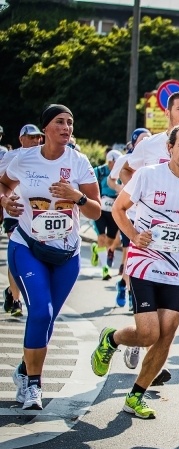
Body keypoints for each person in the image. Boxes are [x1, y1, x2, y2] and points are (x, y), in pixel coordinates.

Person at [90, 123, 179, 419]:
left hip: (175, 267)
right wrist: (133, 235)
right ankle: (112, 339)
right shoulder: (148, 175)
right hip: (143, 263)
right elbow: (118, 209)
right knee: (148, 334)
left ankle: (136, 395)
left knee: (167, 333)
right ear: (170, 148)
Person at [1, 104, 101, 410]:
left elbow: (96, 210)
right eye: (60, 122)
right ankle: (33, 385)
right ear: (45, 128)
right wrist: (6, 201)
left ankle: (24, 370)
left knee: (48, 319)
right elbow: (4, 183)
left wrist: (77, 197)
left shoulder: (78, 162)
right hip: (27, 246)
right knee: (41, 313)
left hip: (66, 254)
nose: (66, 127)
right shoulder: (23, 158)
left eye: (70, 122)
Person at [120, 91, 179, 288]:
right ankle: (131, 288)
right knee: (141, 285)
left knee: (168, 296)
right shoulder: (149, 144)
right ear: (167, 113)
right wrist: (138, 197)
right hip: (147, 222)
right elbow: (125, 170)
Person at [1, 124, 45, 317]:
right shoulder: (11, 156)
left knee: (34, 256)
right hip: (14, 211)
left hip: (36, 214)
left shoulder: (44, 156)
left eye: (38, 137)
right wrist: (3, 201)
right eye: (32, 137)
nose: (36, 140)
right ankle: (16, 299)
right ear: (21, 139)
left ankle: (12, 291)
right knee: (18, 252)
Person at [108, 128, 151, 314]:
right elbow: (111, 180)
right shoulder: (125, 160)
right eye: (142, 139)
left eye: (149, 139)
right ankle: (131, 292)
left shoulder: (153, 161)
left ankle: (125, 285)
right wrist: (122, 190)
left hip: (147, 217)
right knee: (129, 253)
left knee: (140, 257)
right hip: (129, 215)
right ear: (134, 143)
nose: (146, 142)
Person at [91, 149, 123, 280]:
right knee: (101, 238)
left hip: (114, 211)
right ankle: (105, 269)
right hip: (100, 210)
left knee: (110, 241)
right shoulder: (99, 171)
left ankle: (96, 250)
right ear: (109, 161)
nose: (115, 166)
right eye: (114, 163)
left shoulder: (123, 173)